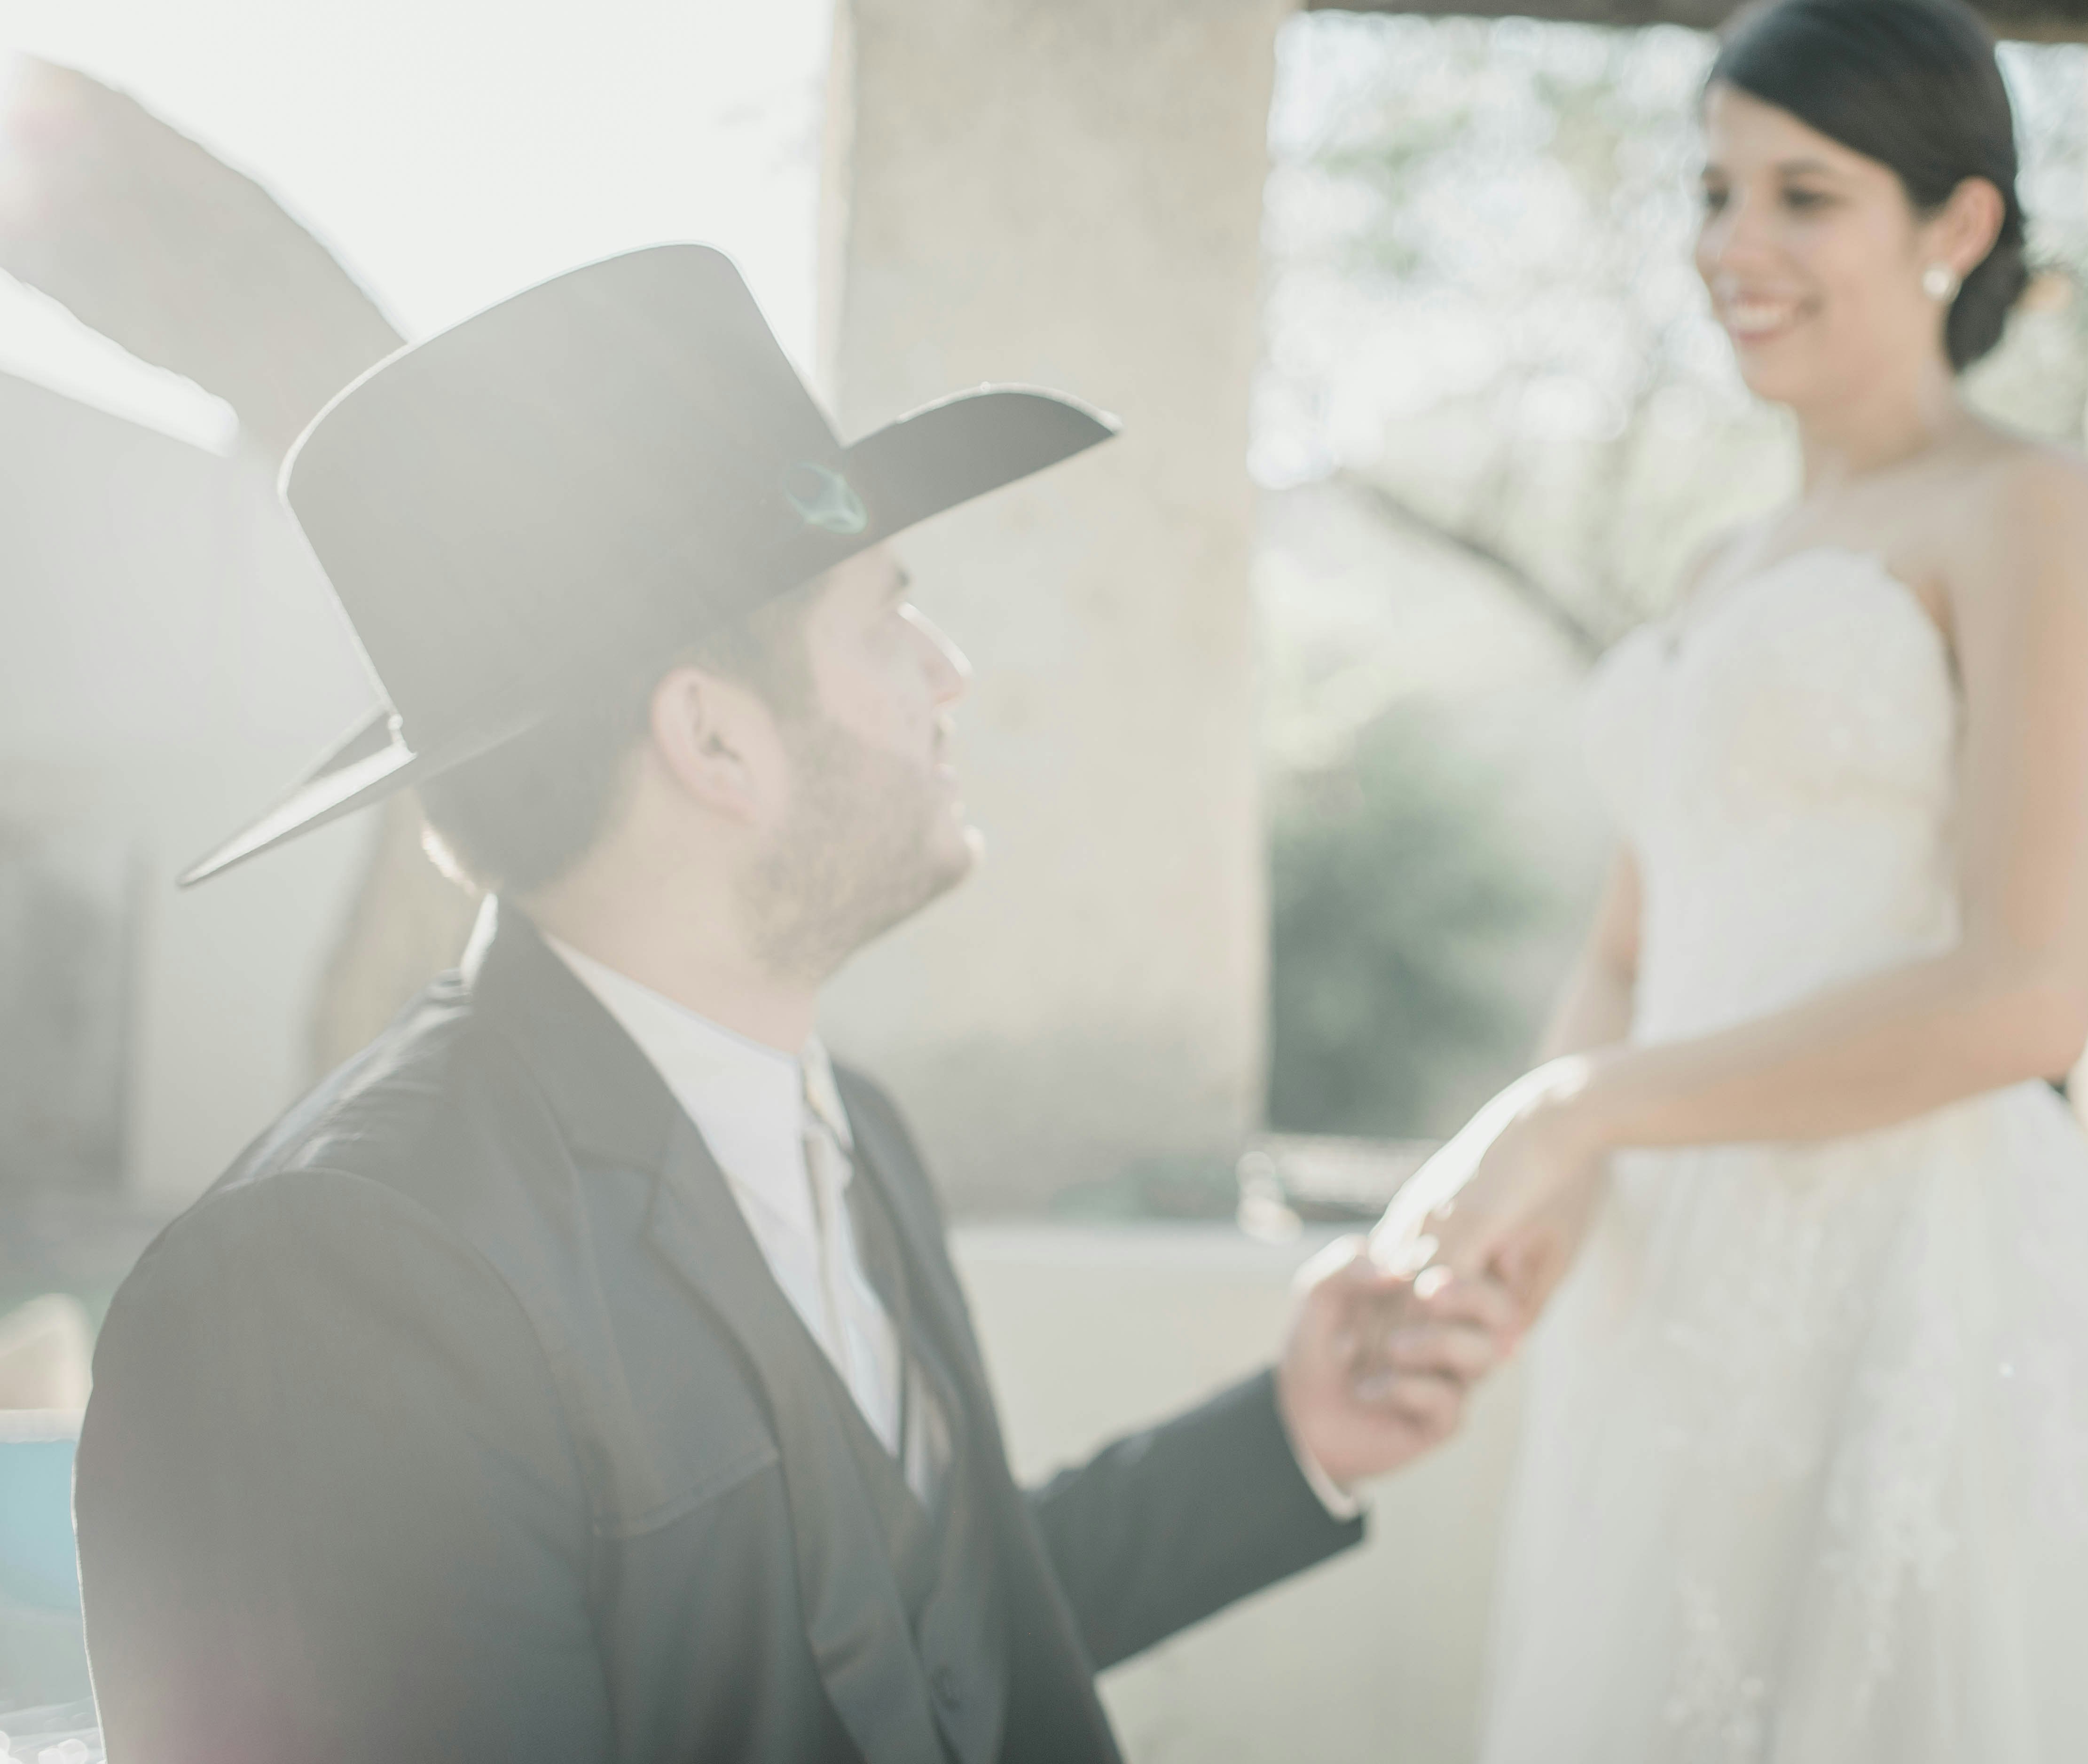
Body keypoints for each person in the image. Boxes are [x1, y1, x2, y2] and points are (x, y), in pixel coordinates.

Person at [75, 244, 1519, 1764]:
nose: (948, 672)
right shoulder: (326, 1286)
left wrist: (1293, 1434)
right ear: (714, 738)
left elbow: (924, 1641)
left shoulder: (854, 1135)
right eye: (889, 616)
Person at [1373, 2, 2088, 1757]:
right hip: (1664, 1285)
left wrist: (1584, 1111)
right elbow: (1628, 937)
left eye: (1800, 196)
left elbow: (2023, 993)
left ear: (1953, 226)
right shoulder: (1717, 556)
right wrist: (1551, 1186)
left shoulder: (2022, 507)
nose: (1730, 246)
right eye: (1713, 191)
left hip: (1918, 1276)